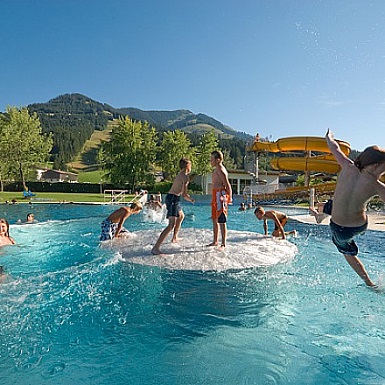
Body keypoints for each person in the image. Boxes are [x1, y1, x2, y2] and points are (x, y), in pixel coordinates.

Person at [325, 129, 385, 288]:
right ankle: (321, 213)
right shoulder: (377, 186)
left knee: (346, 252)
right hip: (359, 225)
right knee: (329, 205)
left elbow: (334, 148)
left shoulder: (347, 166)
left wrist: (329, 137)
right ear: (376, 165)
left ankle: (368, 282)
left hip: (340, 229)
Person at [151, 158, 195, 255]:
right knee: (171, 224)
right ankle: (156, 248)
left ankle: (175, 237)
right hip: (173, 199)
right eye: (190, 165)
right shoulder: (185, 177)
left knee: (181, 216)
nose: (191, 167)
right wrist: (191, 199)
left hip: (172, 198)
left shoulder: (180, 174)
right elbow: (184, 194)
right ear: (187, 166)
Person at [207, 150, 233, 251]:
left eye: (212, 159)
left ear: (218, 160)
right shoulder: (216, 169)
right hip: (215, 194)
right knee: (214, 218)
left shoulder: (221, 170)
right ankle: (215, 241)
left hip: (220, 194)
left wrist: (229, 198)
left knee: (221, 219)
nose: (210, 161)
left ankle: (223, 243)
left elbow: (227, 185)